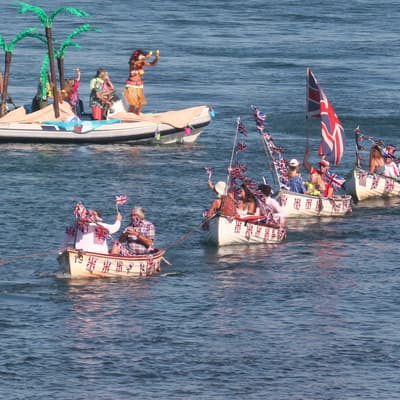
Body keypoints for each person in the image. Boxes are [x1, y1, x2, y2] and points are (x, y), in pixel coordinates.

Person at [123, 49, 160, 115]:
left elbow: (152, 64)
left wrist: (157, 58)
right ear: (137, 56)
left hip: (139, 85)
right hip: (131, 85)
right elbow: (134, 63)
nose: (143, 56)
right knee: (133, 103)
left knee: (140, 103)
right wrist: (145, 58)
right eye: (142, 55)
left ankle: (137, 114)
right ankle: (129, 115)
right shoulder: (132, 61)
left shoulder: (142, 63)